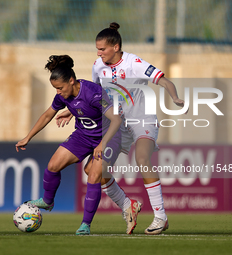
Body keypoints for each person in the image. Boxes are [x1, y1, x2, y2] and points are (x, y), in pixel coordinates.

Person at [57, 22, 186, 235]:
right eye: (97, 49)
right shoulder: (98, 66)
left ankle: (160, 217)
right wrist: (72, 111)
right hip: (117, 124)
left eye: (102, 49)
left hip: (142, 119)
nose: (98, 53)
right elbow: (94, 94)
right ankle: (128, 205)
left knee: (142, 158)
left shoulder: (134, 63)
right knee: (93, 171)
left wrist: (174, 96)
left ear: (115, 47)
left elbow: (163, 81)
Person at [15, 55, 122, 235]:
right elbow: (48, 114)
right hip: (83, 136)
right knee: (53, 165)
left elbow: (116, 120)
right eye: (55, 88)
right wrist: (28, 137)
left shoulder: (93, 92)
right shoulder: (63, 95)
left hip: (109, 136)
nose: (58, 92)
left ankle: (85, 225)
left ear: (71, 81)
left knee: (93, 175)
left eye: (60, 88)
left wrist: (103, 144)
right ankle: (48, 201)